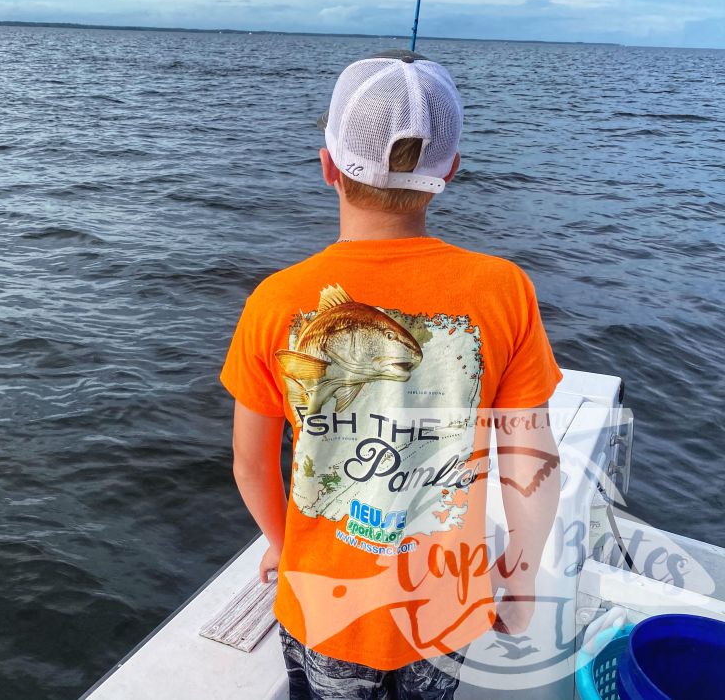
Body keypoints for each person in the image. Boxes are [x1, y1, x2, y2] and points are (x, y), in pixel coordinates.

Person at [220, 50, 562, 700]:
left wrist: (283, 544)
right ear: (450, 172)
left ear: (327, 167)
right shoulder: (504, 290)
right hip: (446, 610)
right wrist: (518, 582)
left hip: (325, 606)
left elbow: (251, 466)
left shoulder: (275, 300)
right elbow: (530, 461)